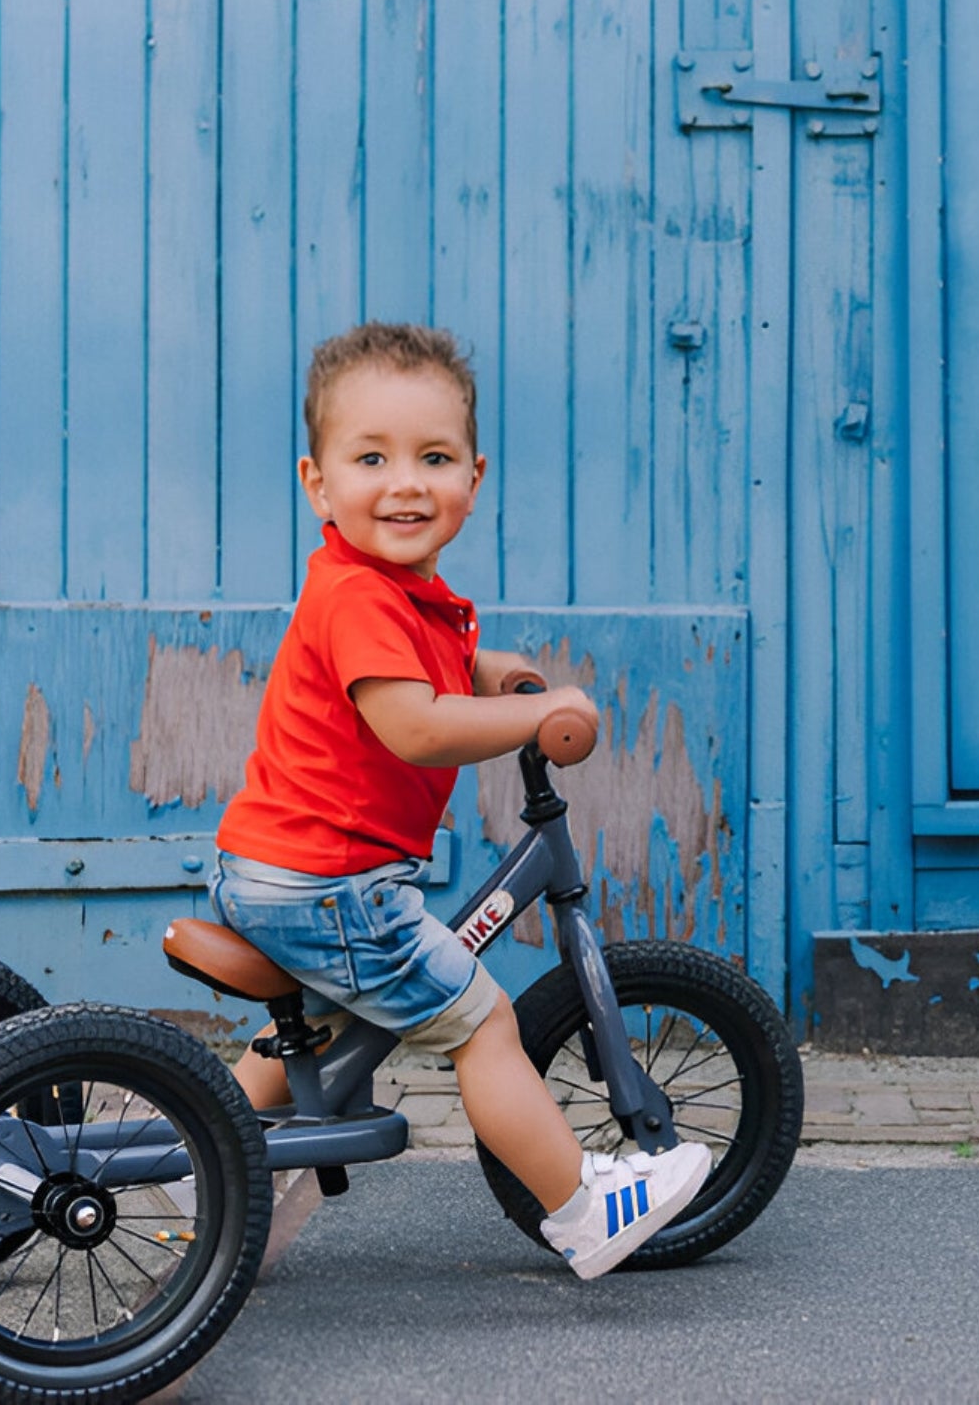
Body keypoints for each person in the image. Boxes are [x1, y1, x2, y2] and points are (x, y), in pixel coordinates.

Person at [211, 321, 710, 1279]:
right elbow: (417, 726)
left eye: (433, 458)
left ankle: (210, 1165)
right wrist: (533, 717)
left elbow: (421, 671)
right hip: (331, 882)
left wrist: (484, 666)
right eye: (371, 458)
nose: (405, 482)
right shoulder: (365, 598)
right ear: (318, 482)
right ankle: (581, 1207)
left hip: (284, 868)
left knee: (314, 1029)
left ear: (473, 480)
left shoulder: (394, 589)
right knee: (482, 1023)